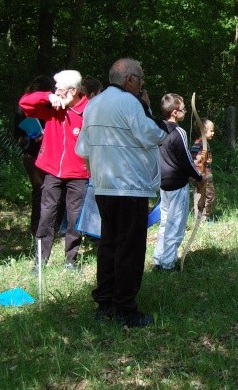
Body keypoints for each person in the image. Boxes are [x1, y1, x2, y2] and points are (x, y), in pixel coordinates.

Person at [75, 58, 167, 327]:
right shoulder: (130, 103)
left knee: (109, 245)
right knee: (130, 247)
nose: (141, 86)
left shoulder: (93, 104)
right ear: (129, 80)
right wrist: (148, 108)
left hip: (104, 186)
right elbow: (151, 135)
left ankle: (104, 304)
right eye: (140, 80)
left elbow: (83, 150)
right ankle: (126, 309)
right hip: (129, 187)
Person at [19, 70, 90, 270]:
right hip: (52, 171)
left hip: (79, 173)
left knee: (75, 218)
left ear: (73, 91)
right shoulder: (52, 107)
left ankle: (71, 260)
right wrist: (48, 96)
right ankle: (40, 261)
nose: (57, 94)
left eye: (60, 90)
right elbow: (25, 103)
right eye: (55, 90)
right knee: (47, 215)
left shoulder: (89, 110)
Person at [153, 94, 202, 271]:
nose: (185, 112)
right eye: (183, 109)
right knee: (176, 224)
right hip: (177, 184)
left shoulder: (157, 127)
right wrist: (199, 177)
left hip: (163, 183)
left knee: (166, 221)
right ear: (174, 112)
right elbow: (185, 160)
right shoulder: (177, 132)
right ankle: (167, 263)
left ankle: (159, 259)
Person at [14, 75, 59, 250]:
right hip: (33, 155)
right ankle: (36, 228)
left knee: (54, 192)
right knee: (39, 191)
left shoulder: (52, 106)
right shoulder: (22, 108)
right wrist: (33, 139)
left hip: (52, 154)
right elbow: (17, 135)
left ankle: (52, 226)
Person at [190, 118, 216, 223]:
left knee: (205, 194)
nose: (213, 133)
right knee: (207, 195)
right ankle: (203, 217)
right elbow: (193, 158)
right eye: (211, 130)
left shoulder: (205, 143)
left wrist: (208, 159)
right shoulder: (199, 143)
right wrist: (199, 159)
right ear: (203, 131)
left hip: (206, 174)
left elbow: (208, 159)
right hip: (202, 175)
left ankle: (202, 217)